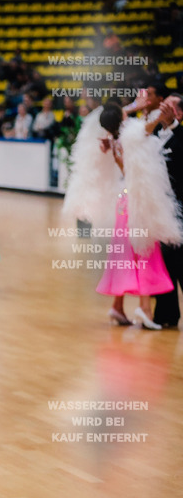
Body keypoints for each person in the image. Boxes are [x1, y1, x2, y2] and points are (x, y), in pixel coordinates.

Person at [64, 102, 183, 328]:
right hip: (134, 201)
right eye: (125, 113)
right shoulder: (129, 137)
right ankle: (145, 308)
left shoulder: (115, 140)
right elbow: (147, 126)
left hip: (124, 199)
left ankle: (118, 307)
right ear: (122, 120)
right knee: (145, 251)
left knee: (127, 254)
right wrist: (157, 112)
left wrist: (133, 107)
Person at [153, 94, 183, 328]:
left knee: (180, 262)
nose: (162, 108)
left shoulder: (181, 136)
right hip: (160, 210)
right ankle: (166, 315)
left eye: (169, 106)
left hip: (179, 209)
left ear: (179, 113)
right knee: (165, 264)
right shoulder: (154, 135)